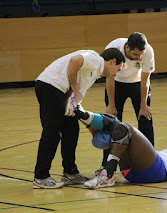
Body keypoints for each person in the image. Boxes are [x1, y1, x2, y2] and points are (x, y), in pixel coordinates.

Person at [32, 48, 125, 189]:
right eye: (118, 69)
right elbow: (74, 60)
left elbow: (75, 106)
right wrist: (75, 86)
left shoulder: (93, 74)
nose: (116, 74)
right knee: (52, 132)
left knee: (71, 130)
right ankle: (41, 177)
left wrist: (91, 128)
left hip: (59, 91)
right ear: (112, 62)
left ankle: (70, 173)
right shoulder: (95, 59)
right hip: (51, 87)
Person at [101, 32, 155, 169]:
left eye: (141, 55)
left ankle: (150, 162)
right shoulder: (113, 48)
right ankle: (106, 164)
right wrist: (111, 105)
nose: (139, 58)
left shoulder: (148, 51)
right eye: (136, 55)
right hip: (117, 84)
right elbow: (110, 78)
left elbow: (145, 80)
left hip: (138, 84)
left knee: (145, 118)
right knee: (112, 123)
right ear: (127, 48)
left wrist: (143, 105)